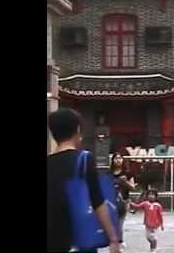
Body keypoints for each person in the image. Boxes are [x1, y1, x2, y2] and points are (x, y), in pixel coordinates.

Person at [47, 108, 120, 253]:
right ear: (78, 130)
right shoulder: (85, 159)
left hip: (52, 238)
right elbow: (97, 201)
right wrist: (113, 237)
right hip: (80, 238)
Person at [110, 152, 137, 250]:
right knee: (113, 222)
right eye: (116, 158)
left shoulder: (128, 173)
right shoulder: (109, 173)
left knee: (120, 222)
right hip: (111, 201)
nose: (118, 160)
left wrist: (124, 182)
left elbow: (133, 187)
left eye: (120, 158)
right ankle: (115, 240)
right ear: (112, 160)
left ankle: (120, 241)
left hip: (124, 200)